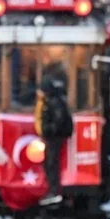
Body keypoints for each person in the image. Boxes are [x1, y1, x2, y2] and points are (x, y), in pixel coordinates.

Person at [35, 78, 73, 206]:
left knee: (51, 163)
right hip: (53, 137)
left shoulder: (54, 102)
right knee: (49, 163)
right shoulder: (50, 101)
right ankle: (53, 190)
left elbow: (58, 120)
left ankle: (55, 191)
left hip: (54, 138)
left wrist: (48, 130)